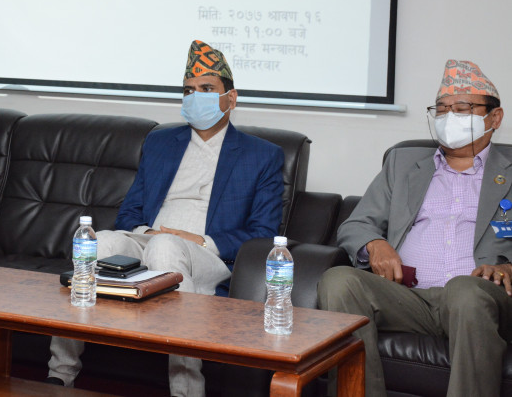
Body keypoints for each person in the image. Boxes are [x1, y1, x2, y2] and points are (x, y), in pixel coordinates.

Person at [46, 40, 285, 397]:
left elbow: (263, 234)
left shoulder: (262, 155)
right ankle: (59, 373)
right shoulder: (161, 143)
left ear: (231, 99)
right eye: (189, 90)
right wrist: (148, 231)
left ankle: (187, 390)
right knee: (100, 243)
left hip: (208, 256)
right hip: (150, 240)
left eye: (207, 89)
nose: (195, 97)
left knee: (167, 247)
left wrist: (199, 241)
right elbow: (129, 212)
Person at [318, 59, 512, 397]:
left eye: (462, 109)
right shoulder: (403, 164)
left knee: (465, 291)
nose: (449, 118)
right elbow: (357, 224)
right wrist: (374, 244)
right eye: (442, 109)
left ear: (494, 118)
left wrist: (509, 267)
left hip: (481, 298)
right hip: (408, 296)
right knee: (339, 281)